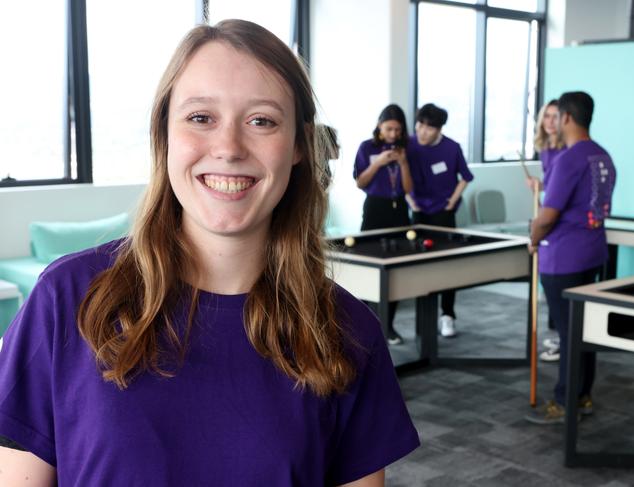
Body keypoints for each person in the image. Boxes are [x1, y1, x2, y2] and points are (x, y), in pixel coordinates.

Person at [0, 20, 420, 485]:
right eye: (201, 117)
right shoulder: (68, 300)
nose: (228, 147)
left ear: (300, 145)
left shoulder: (347, 332)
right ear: (164, 133)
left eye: (261, 120)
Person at [525, 91, 616, 425]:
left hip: (563, 257)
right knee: (585, 330)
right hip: (593, 252)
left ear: (565, 118)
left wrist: (533, 237)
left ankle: (566, 402)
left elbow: (548, 216)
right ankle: (584, 395)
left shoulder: (569, 159)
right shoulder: (603, 155)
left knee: (568, 333)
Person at [406, 103, 474, 338]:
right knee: (420, 263)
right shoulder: (409, 144)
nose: (423, 131)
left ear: (440, 129)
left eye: (429, 128)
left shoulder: (452, 148)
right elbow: (398, 171)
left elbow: (465, 177)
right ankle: (423, 317)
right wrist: (410, 201)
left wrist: (451, 201)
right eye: (420, 125)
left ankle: (448, 315)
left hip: (444, 213)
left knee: (448, 263)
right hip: (419, 212)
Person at [353, 104, 414, 345]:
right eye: (389, 129)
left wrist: (404, 163)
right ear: (379, 126)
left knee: (396, 266)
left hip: (398, 209)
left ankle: (388, 325)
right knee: (368, 262)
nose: (393, 134)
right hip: (375, 208)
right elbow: (360, 182)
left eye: (398, 130)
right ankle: (364, 324)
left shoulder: (404, 149)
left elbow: (409, 189)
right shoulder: (367, 148)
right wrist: (378, 163)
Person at [528, 99, 567, 362]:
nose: (550, 122)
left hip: (558, 226)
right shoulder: (546, 151)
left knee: (560, 290)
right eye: (547, 116)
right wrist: (540, 187)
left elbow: (561, 193)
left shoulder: (567, 152)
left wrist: (536, 233)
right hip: (549, 219)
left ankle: (566, 339)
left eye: (555, 116)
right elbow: (553, 186)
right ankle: (563, 337)